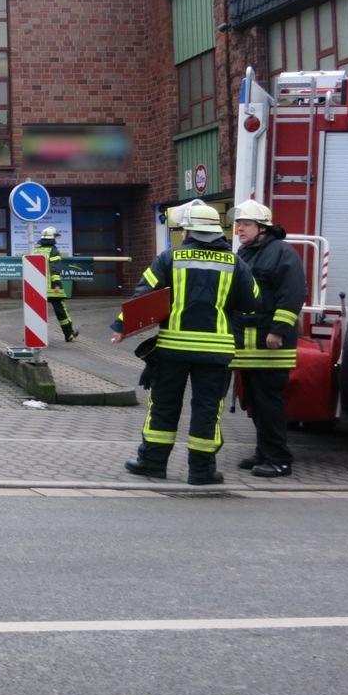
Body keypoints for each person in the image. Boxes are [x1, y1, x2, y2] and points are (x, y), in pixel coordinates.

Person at [112, 201, 258, 485]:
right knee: (207, 410)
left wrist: (121, 327)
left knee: (164, 405)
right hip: (215, 353)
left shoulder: (169, 258)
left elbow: (142, 298)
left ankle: (153, 463)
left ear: (189, 231)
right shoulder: (236, 264)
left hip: (172, 351)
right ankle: (201, 472)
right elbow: (252, 304)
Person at [229, 200, 305, 478]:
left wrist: (278, 330)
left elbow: (292, 294)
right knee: (255, 403)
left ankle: (279, 459)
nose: (239, 229)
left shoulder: (282, 253)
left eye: (245, 224)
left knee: (269, 403)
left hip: (270, 344)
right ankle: (264, 452)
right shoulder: (247, 254)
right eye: (238, 224)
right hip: (249, 346)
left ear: (263, 228)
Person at [33, 226, 79, 342]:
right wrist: (57, 284)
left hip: (37, 288)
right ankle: (69, 334)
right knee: (61, 311)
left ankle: (32, 335)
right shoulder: (54, 251)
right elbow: (55, 269)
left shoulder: (36, 251)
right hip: (53, 288)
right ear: (52, 238)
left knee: (35, 312)